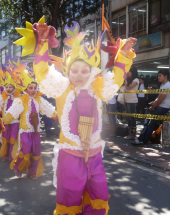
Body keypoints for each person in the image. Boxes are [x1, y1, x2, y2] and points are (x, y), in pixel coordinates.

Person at [13, 17, 136, 214]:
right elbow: (43, 73)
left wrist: (124, 54)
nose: (79, 74)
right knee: (69, 197)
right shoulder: (61, 87)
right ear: (68, 73)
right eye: (75, 70)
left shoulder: (98, 88)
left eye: (84, 70)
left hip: (94, 153)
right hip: (70, 154)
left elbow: (118, 78)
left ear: (91, 72)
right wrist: (43, 43)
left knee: (99, 195)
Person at [133, 69, 170, 146]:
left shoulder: (167, 86)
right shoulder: (162, 85)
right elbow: (158, 97)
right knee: (147, 122)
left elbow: (160, 100)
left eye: (160, 75)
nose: (158, 77)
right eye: (158, 75)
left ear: (165, 76)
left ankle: (143, 141)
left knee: (150, 124)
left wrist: (153, 106)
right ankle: (141, 139)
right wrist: (154, 103)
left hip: (164, 107)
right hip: (160, 106)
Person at [124, 66, 139, 139]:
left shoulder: (136, 80)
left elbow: (127, 87)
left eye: (129, 72)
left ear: (132, 72)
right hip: (127, 100)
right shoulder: (130, 80)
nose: (128, 73)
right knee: (129, 118)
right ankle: (129, 133)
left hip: (132, 101)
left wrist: (125, 79)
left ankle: (132, 135)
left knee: (132, 118)